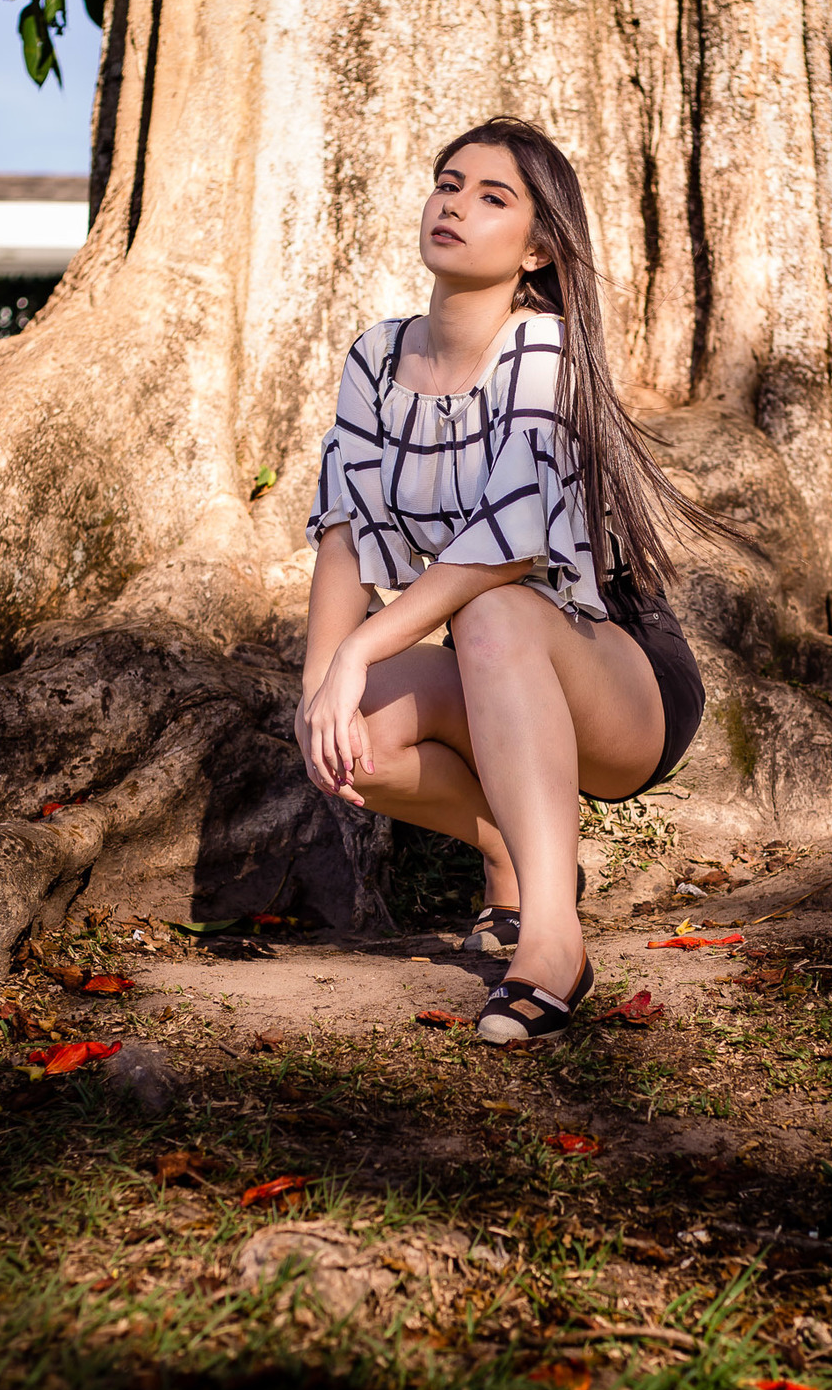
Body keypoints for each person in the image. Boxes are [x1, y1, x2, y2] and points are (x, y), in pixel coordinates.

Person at [297, 116, 710, 1045]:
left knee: (493, 609)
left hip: (619, 676)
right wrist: (324, 681)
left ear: (536, 249)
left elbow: (510, 548)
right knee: (348, 738)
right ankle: (509, 848)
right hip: (492, 668)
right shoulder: (375, 357)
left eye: (492, 197)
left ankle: (554, 939)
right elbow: (344, 530)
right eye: (448, 183)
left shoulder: (541, 349)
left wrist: (363, 650)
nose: (455, 206)